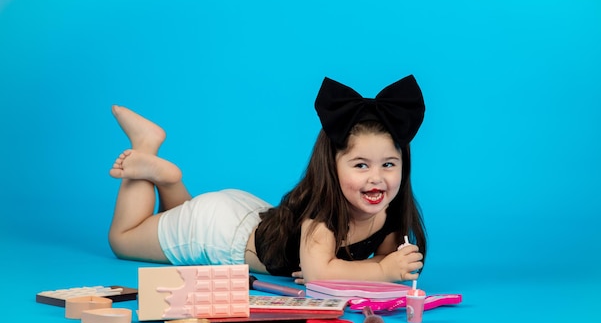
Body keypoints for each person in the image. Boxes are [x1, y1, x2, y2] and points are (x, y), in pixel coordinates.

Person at [108, 75, 427, 284]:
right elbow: (321, 275)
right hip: (219, 234)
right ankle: (145, 145)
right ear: (332, 167)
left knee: (176, 219)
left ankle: (169, 182)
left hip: (245, 216)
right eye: (360, 165)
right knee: (123, 239)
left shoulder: (389, 215)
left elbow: (382, 260)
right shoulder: (323, 217)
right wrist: (380, 271)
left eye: (388, 164)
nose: (377, 178)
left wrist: (366, 269)